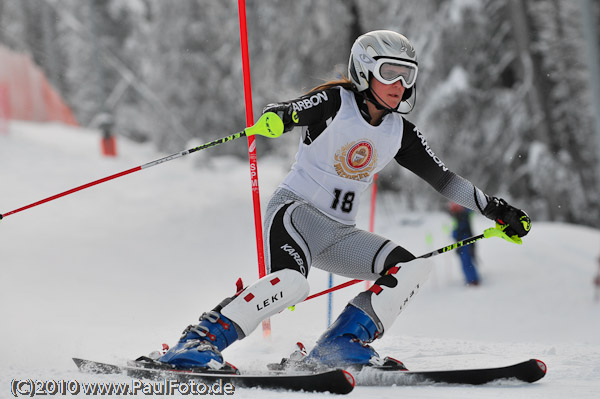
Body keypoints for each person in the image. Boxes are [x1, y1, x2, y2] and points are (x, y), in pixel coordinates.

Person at [157, 30, 531, 371]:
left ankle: (340, 345)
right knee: (291, 285)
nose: (400, 85)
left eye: (408, 76)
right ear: (365, 70)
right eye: (390, 73)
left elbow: (445, 180)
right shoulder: (336, 101)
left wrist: (497, 210)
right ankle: (198, 342)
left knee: (410, 268)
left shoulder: (400, 132)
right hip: (296, 214)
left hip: (341, 235)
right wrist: (279, 117)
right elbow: (293, 110)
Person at [449, 202, 480, 286]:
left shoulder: (462, 215)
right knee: (465, 261)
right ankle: (470, 279)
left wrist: (454, 234)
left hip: (465, 241)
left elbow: (460, 230)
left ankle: (473, 280)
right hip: (463, 242)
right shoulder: (460, 215)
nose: (453, 211)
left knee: (466, 261)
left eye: (454, 209)